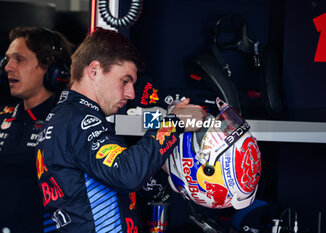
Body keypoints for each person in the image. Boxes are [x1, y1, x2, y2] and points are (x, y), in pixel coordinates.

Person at [35, 27, 207, 233]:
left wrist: (155, 164)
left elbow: (103, 188)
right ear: (94, 71)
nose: (131, 93)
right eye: (125, 81)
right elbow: (126, 174)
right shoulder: (79, 120)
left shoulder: (66, 117)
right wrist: (174, 122)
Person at [0, 27, 73, 233]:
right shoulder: (4, 117)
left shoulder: (66, 123)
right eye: (7, 60)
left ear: (49, 67)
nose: (8, 67)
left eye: (19, 59)